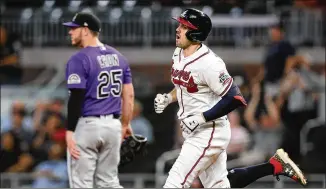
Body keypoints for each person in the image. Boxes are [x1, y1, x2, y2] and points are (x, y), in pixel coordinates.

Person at [154, 8, 306, 188]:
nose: (178, 29)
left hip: (209, 130)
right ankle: (274, 165)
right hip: (195, 129)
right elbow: (183, 85)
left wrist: (202, 118)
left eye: (184, 26)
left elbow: (235, 98)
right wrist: (169, 98)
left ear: (196, 32)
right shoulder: (180, 55)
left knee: (174, 182)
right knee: (220, 184)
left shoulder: (209, 63)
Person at [62, 12, 134, 188]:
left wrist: (70, 130)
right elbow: (129, 95)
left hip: (87, 126)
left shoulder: (79, 59)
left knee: (81, 183)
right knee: (109, 182)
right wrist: (125, 124)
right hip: (113, 126)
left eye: (74, 28)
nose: (70, 32)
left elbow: (76, 97)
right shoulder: (119, 57)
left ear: (85, 30)